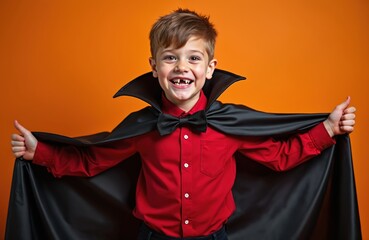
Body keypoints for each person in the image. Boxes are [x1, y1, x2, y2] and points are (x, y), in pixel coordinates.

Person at [11, 9, 356, 240]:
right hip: (153, 235)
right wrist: (39, 152)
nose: (181, 67)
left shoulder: (230, 124)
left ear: (210, 68)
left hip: (214, 235)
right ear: (154, 67)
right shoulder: (141, 127)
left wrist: (326, 129)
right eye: (170, 58)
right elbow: (89, 162)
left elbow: (280, 156)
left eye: (193, 58)